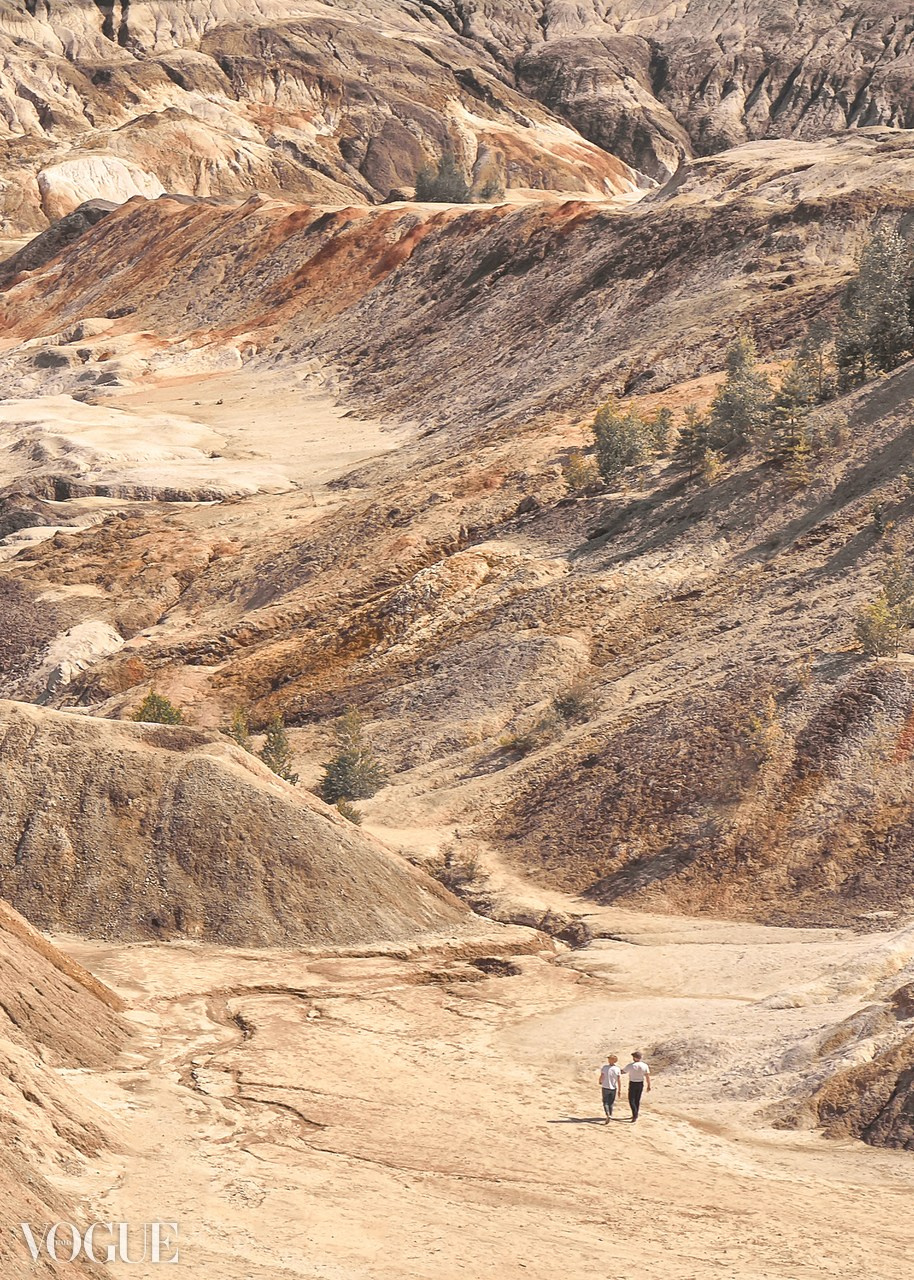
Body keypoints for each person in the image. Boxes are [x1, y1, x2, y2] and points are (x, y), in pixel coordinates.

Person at [621, 1051, 651, 1122]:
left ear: (635, 1058)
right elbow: (647, 1076)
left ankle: (635, 1114)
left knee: (631, 1099)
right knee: (637, 1099)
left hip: (633, 1083)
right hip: (640, 1083)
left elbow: (623, 1072)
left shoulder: (631, 1065)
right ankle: (635, 1113)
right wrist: (649, 1085)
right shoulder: (644, 1065)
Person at [597, 1054, 621, 1123]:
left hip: (605, 1087)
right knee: (611, 1102)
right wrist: (619, 1089)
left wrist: (600, 1081)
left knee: (605, 1102)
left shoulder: (605, 1067)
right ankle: (610, 1114)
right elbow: (619, 1080)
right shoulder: (617, 1069)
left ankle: (608, 1114)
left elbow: (602, 1075)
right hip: (613, 1088)